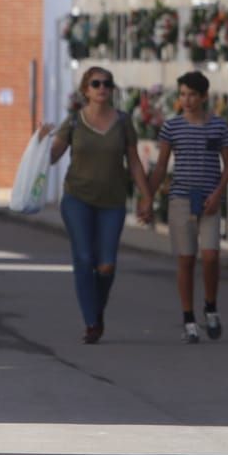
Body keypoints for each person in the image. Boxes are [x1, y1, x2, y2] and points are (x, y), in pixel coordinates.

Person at [36, 66, 153, 344]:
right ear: (86, 90)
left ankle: (95, 310)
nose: (102, 88)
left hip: (112, 201)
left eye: (107, 84)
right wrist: (41, 143)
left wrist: (146, 195)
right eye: (96, 84)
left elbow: (134, 161)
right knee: (85, 258)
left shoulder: (123, 122)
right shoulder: (74, 122)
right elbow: (53, 157)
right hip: (78, 199)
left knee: (107, 266)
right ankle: (92, 322)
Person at [148, 70, 228, 343]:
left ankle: (210, 305)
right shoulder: (172, 127)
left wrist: (218, 193)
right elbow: (161, 165)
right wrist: (147, 196)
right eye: (183, 94)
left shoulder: (218, 126)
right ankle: (188, 318)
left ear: (204, 96)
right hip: (181, 199)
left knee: (210, 256)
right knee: (186, 259)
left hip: (209, 200)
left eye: (192, 95)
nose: (187, 100)